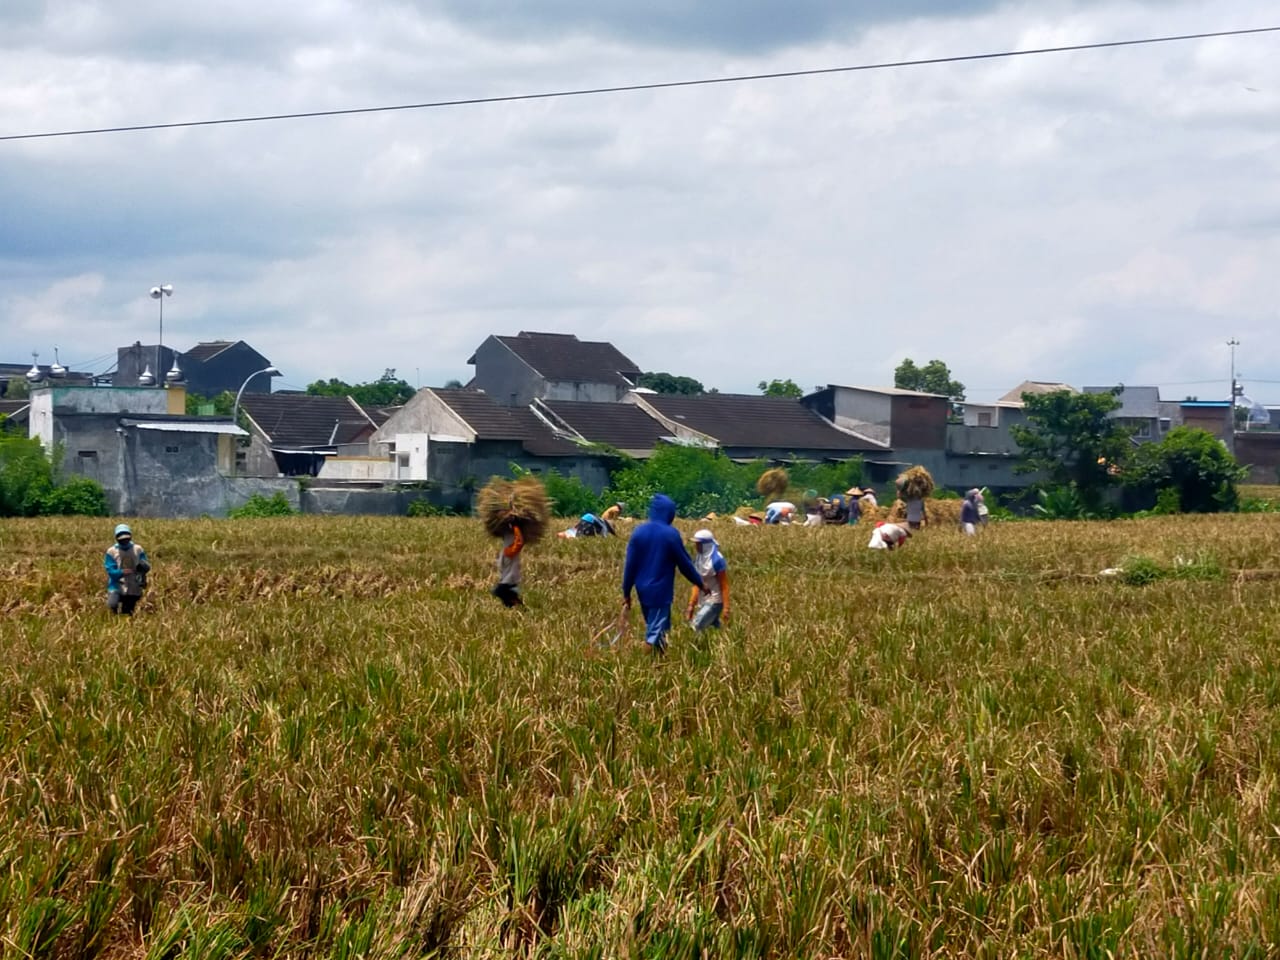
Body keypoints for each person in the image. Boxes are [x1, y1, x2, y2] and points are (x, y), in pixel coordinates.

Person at [622, 494, 703, 655]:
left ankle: (660, 661)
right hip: (660, 592)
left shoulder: (638, 532)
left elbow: (630, 565)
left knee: (659, 629)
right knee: (654, 633)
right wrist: (700, 583)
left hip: (642, 590)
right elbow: (685, 564)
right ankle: (644, 661)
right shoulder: (670, 534)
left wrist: (626, 592)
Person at [684, 529, 730, 631]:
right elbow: (697, 583)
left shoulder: (717, 560)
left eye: (698, 544)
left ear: (706, 545)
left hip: (715, 600)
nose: (696, 547)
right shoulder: (699, 559)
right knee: (713, 628)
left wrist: (726, 607)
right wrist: (691, 604)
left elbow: (724, 584)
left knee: (696, 625)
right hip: (704, 599)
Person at [105, 523, 150, 615]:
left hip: (134, 585)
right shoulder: (111, 551)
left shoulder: (138, 549)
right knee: (112, 604)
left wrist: (142, 569)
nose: (124, 541)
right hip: (117, 585)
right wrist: (121, 572)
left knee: (128, 611)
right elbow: (110, 570)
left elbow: (145, 565)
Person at [491, 520, 524, 607]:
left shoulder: (512, 547)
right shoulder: (507, 533)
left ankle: (518, 604)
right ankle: (518, 605)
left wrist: (515, 526)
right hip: (507, 578)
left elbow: (519, 542)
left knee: (499, 591)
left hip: (509, 579)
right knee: (506, 600)